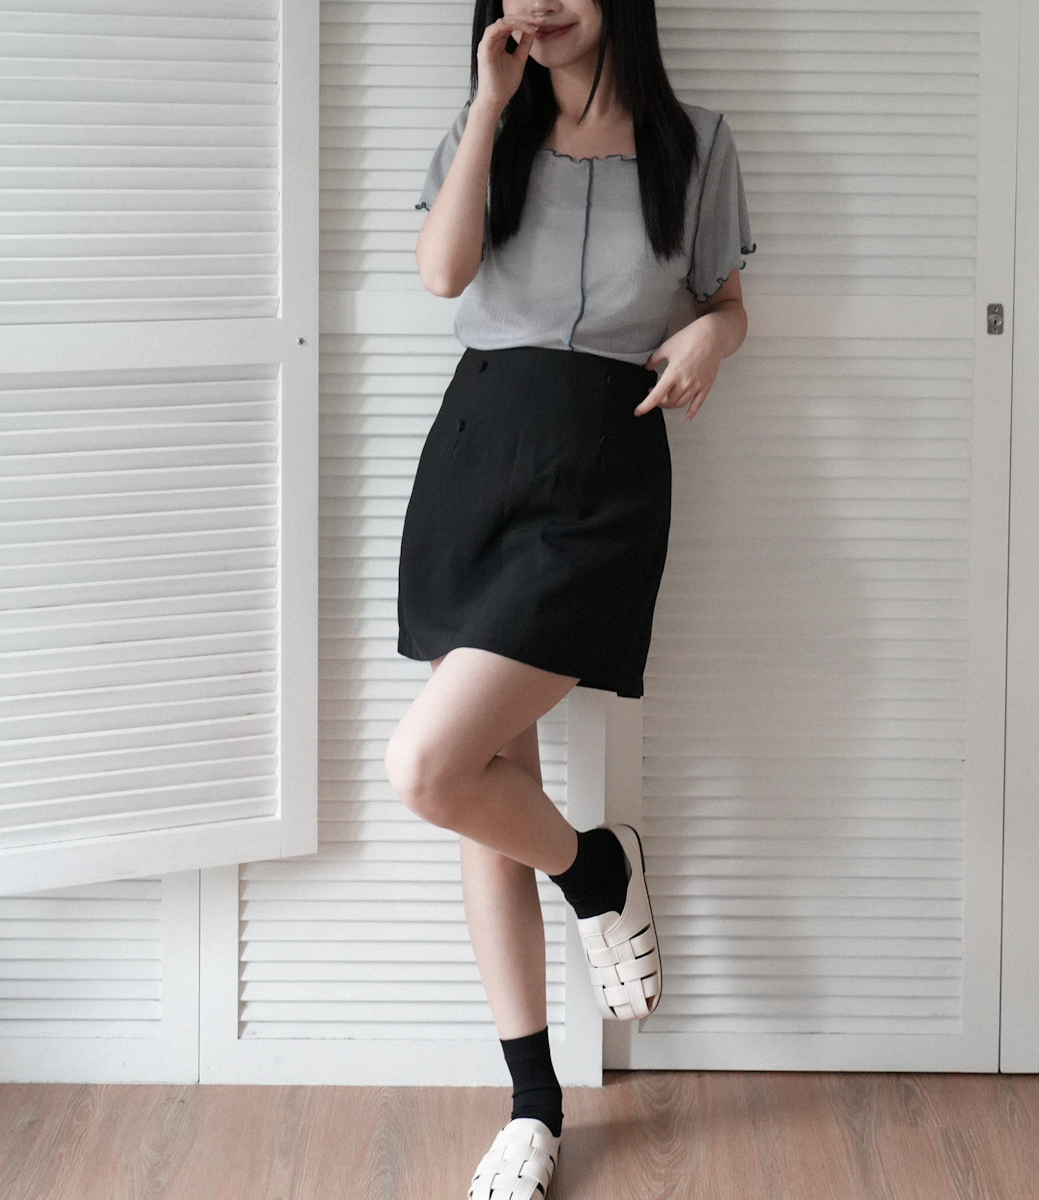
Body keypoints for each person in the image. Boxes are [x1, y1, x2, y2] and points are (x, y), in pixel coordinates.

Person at [384, 1, 754, 1194]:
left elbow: (726, 300)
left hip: (601, 476)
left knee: (429, 766)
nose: (542, 3)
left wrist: (713, 338)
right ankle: (533, 1106)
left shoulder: (694, 143)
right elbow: (442, 273)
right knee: (480, 785)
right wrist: (490, 106)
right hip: (476, 458)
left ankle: (597, 873)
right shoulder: (486, 126)